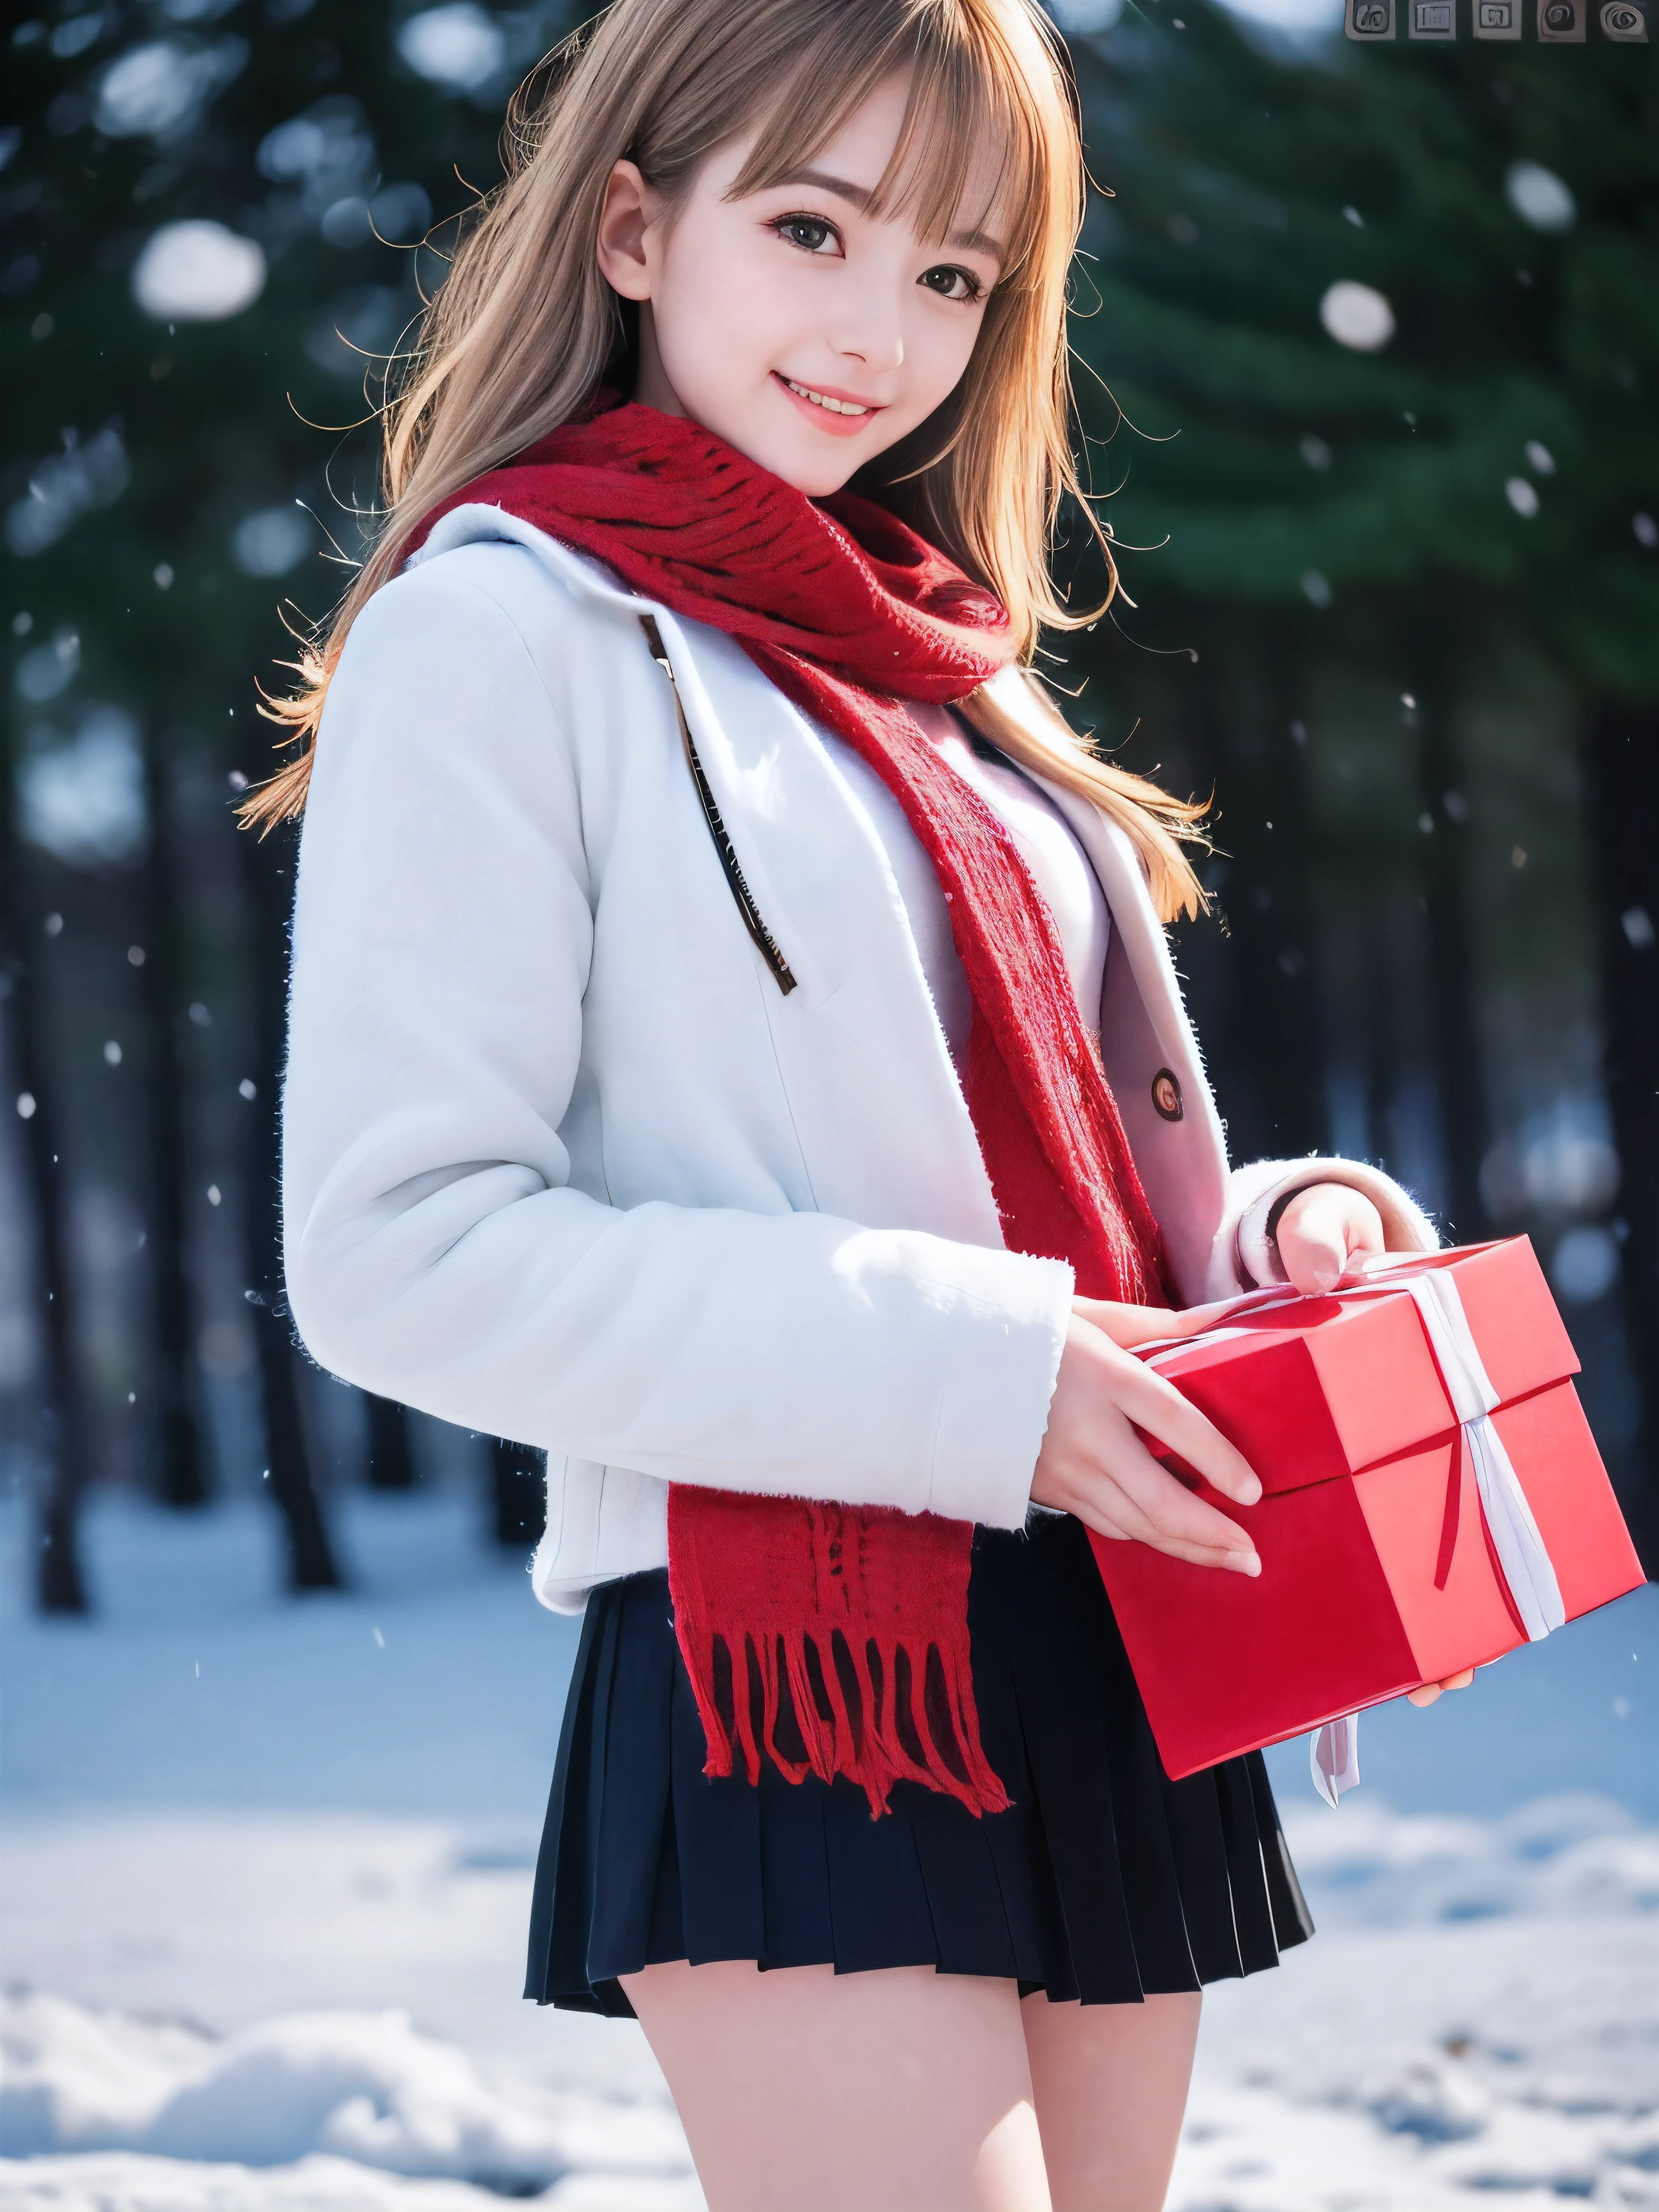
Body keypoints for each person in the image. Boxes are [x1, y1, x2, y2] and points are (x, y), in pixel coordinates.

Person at [266, 2, 1469, 2203]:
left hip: (1104, 1613)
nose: (880, 329)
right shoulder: (507, 628)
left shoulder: (943, 652)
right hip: (799, 1645)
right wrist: (979, 1371)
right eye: (811, 227)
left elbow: (1033, 1166)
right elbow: (395, 1247)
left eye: (953, 273)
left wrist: (1272, 1232)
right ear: (634, 225)